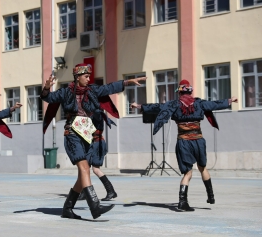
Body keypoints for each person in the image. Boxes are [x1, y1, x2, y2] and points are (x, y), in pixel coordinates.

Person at [40, 63, 146, 219]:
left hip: (86, 136)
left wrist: (128, 82)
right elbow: (47, 97)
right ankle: (95, 207)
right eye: (86, 76)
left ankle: (67, 209)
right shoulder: (65, 92)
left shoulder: (93, 91)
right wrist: (47, 88)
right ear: (77, 77)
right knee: (84, 169)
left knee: (83, 174)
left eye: (89, 76)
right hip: (72, 135)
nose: (89, 78)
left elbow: (109, 88)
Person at [131, 79, 237, 211]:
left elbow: (157, 107)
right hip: (198, 140)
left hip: (184, 141)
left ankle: (182, 202)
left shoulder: (174, 104)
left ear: (180, 92)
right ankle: (211, 196)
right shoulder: (199, 103)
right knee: (202, 167)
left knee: (187, 173)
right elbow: (215, 104)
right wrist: (230, 100)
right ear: (190, 91)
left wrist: (139, 106)